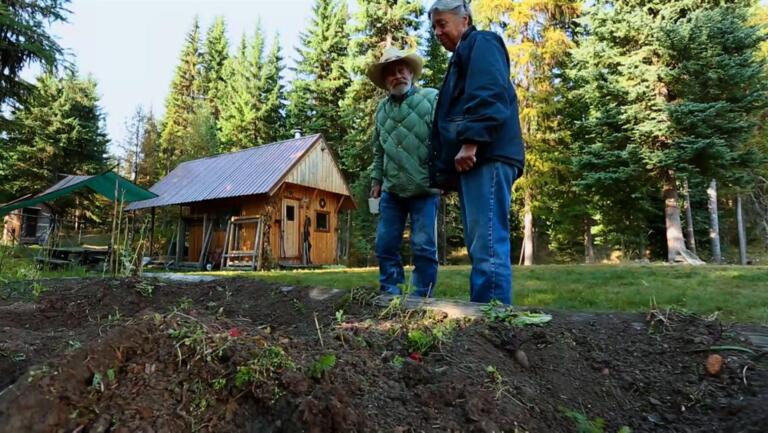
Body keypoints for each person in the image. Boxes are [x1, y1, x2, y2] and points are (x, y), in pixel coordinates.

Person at [427, 0, 525, 304]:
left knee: (488, 245)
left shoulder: (482, 42)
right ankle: (486, 313)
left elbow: (488, 92)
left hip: (487, 155)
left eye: (442, 23)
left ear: (465, 20)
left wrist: (471, 143)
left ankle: (493, 317)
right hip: (479, 158)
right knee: (481, 243)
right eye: (433, 27)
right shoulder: (464, 53)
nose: (437, 32)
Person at [367, 47, 440, 297]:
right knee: (385, 245)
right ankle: (390, 293)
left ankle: (421, 298)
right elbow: (379, 150)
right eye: (391, 73)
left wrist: (443, 176)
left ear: (411, 73)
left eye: (401, 70)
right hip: (392, 190)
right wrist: (376, 181)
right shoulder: (382, 110)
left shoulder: (431, 99)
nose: (397, 76)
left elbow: (444, 139)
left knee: (424, 247)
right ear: (385, 81)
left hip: (425, 187)